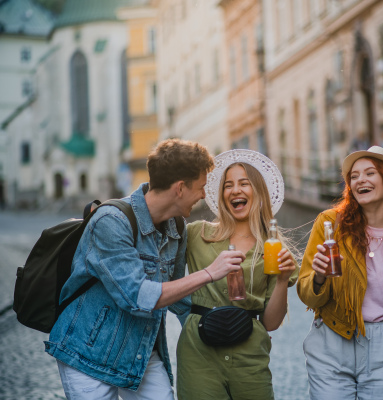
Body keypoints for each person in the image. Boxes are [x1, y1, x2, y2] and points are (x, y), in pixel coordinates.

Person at [45, 139, 243, 399]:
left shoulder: (177, 228)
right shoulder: (111, 222)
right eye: (202, 187)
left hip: (141, 355)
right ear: (180, 188)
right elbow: (137, 297)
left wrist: (221, 334)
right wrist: (208, 273)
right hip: (88, 354)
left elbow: (181, 300)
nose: (204, 195)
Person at [298, 146, 383, 399]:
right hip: (333, 339)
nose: (360, 180)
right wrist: (319, 277)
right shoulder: (330, 224)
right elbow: (306, 293)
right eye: (354, 176)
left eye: (370, 173)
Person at [176, 149, 298, 400]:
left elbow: (271, 323)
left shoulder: (273, 248)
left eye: (244, 183)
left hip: (249, 355)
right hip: (198, 353)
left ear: (259, 192)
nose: (235, 191)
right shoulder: (197, 235)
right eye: (228, 185)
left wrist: (283, 279)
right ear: (221, 195)